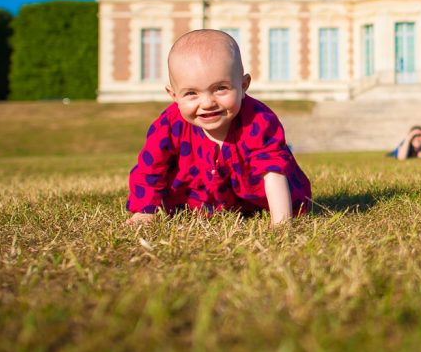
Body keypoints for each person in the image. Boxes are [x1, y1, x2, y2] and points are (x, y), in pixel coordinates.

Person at [126, 29, 311, 227]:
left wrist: (281, 222)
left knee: (291, 194)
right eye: (191, 93)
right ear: (174, 96)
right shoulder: (169, 125)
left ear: (243, 85)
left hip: (255, 197)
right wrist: (144, 211)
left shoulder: (258, 120)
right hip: (197, 199)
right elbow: (150, 168)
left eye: (220, 88)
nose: (207, 103)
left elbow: (273, 171)